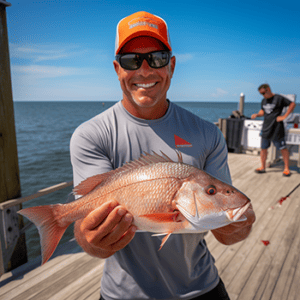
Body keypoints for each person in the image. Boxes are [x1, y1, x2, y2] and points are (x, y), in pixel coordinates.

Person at [70, 11, 255, 300]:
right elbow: (86, 231)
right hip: (123, 294)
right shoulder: (91, 135)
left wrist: (238, 226)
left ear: (172, 65)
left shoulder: (208, 134)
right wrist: (93, 240)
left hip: (202, 287)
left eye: (157, 58)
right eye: (132, 60)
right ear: (117, 69)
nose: (145, 71)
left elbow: (225, 229)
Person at [251, 84, 296, 176]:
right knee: (263, 149)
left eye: (264, 92)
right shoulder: (264, 100)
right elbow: (263, 111)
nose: (263, 95)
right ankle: (263, 167)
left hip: (277, 129)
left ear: (268, 89)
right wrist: (257, 114)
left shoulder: (279, 98)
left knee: (283, 149)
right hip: (266, 128)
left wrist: (284, 116)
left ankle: (286, 168)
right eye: (261, 94)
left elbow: (292, 104)